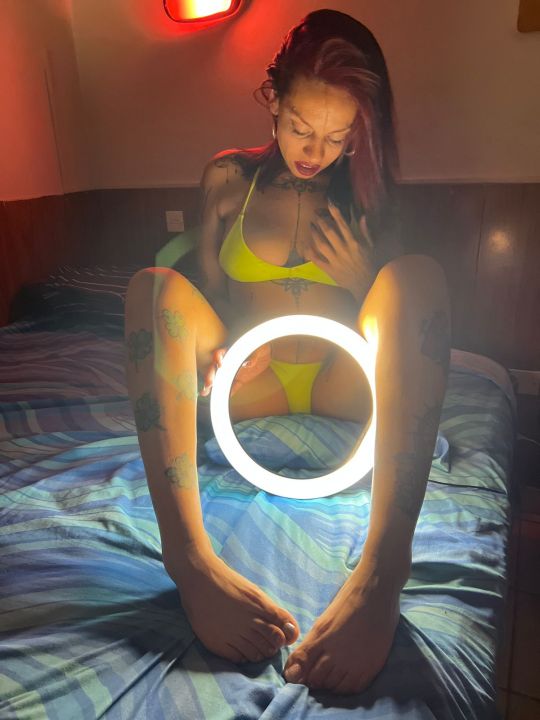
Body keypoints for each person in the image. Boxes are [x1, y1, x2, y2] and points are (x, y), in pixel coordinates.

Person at [124, 9, 450, 696]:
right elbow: (208, 297)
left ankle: (382, 572)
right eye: (302, 126)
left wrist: (362, 277)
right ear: (273, 99)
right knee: (151, 289)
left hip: (343, 380)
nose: (316, 150)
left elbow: (395, 318)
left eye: (338, 136)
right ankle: (189, 560)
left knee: (419, 278)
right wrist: (220, 354)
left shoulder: (369, 194)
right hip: (258, 381)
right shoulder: (226, 180)